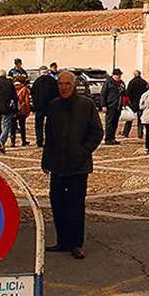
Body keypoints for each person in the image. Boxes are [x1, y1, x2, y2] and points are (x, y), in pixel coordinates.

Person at [42, 71, 103, 260]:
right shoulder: (53, 106)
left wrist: (83, 151)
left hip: (78, 165)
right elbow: (49, 136)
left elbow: (96, 132)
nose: (64, 87)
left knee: (75, 205)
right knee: (57, 202)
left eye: (67, 83)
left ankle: (76, 243)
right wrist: (46, 160)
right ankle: (62, 240)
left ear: (74, 85)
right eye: (60, 84)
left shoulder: (86, 105)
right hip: (57, 165)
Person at [31, 66, 58, 147]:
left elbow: (33, 94)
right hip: (51, 106)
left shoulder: (36, 82)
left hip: (39, 107)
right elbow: (57, 94)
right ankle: (50, 140)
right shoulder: (52, 81)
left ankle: (39, 141)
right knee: (50, 125)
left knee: (38, 125)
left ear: (40, 72)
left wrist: (34, 105)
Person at [100, 68, 124, 145]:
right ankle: (108, 139)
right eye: (117, 75)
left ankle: (112, 137)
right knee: (109, 123)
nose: (119, 76)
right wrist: (103, 105)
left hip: (118, 105)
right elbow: (103, 95)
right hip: (110, 105)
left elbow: (125, 93)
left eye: (120, 75)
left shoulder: (121, 83)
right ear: (113, 75)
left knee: (115, 122)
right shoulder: (108, 82)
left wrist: (125, 103)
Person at [124, 70, 148, 139]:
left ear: (134, 75)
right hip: (141, 103)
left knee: (129, 118)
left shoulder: (132, 82)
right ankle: (140, 134)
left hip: (133, 103)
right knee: (140, 120)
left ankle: (126, 132)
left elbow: (128, 93)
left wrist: (129, 102)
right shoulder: (144, 82)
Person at [10, 78, 31, 147]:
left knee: (12, 126)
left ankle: (12, 141)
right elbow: (27, 101)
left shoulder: (11, 88)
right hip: (22, 110)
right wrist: (28, 111)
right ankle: (23, 141)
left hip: (13, 110)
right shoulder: (24, 89)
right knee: (22, 126)